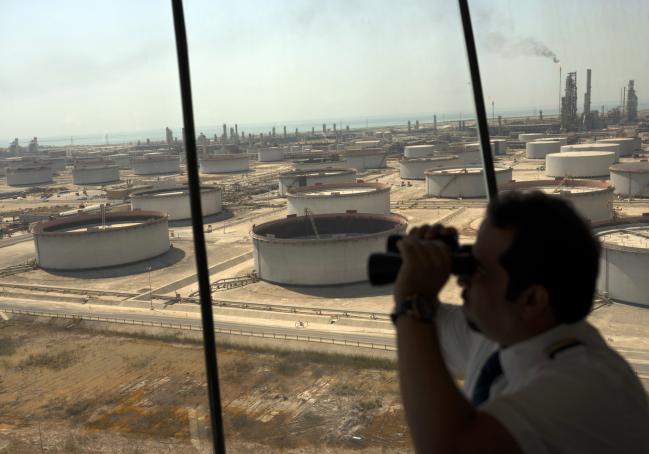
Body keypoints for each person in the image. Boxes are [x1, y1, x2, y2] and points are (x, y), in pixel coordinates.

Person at [392, 191, 649, 453]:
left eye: (477, 270)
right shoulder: (504, 337)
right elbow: (427, 332)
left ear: (531, 300)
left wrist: (412, 302)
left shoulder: (587, 385)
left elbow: (449, 447)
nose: (461, 279)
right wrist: (420, 266)